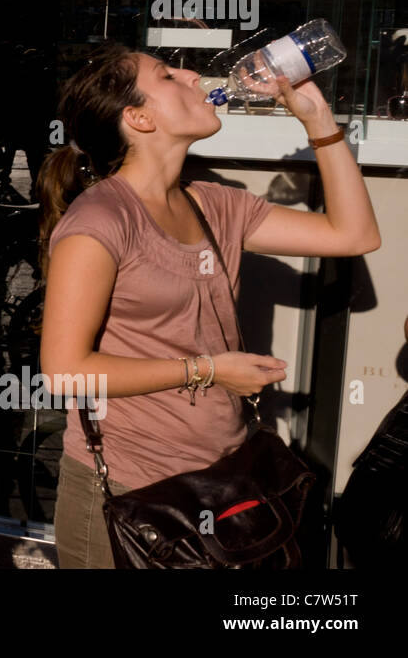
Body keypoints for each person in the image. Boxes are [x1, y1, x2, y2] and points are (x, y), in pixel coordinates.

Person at [37, 43, 380, 568]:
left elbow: (354, 233)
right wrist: (211, 370)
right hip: (130, 494)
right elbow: (64, 373)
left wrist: (319, 121)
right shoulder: (101, 223)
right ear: (139, 118)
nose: (194, 74)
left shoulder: (214, 204)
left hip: (219, 477)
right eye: (168, 75)